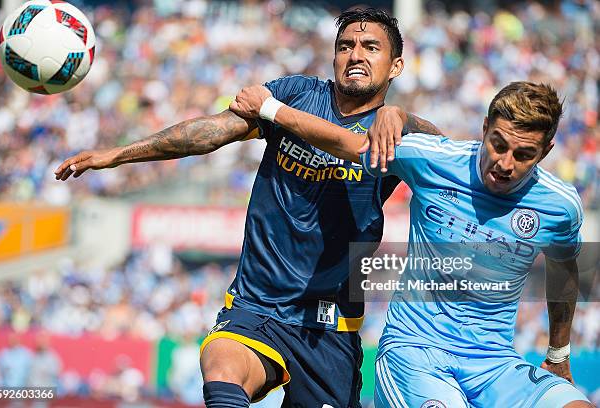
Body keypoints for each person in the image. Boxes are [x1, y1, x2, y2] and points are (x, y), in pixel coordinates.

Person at [54, 8, 441, 407]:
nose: (355, 55)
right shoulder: (297, 93)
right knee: (222, 368)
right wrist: (117, 154)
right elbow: (210, 133)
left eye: (370, 47)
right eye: (346, 46)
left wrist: (402, 115)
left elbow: (449, 156)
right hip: (256, 306)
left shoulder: (398, 133)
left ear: (395, 66)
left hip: (330, 324)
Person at [229, 81, 593, 407]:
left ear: (545, 152)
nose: (505, 163)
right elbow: (348, 144)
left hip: (493, 363)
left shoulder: (559, 206)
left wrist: (558, 353)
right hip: (413, 353)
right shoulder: (433, 159)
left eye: (524, 154)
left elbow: (563, 269)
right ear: (484, 129)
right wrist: (271, 109)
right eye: (498, 145)